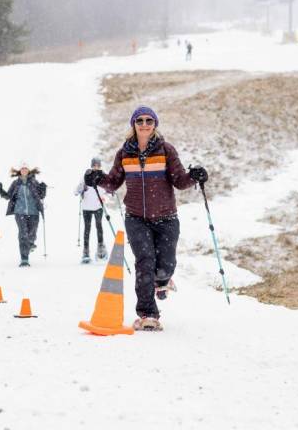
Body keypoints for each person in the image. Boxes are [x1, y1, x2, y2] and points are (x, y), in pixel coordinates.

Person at [83, 106, 208, 331]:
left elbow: (180, 180)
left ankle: (162, 281)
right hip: (136, 217)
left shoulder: (166, 150)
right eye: (139, 120)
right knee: (145, 262)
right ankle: (148, 314)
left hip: (166, 217)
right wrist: (97, 177)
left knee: (166, 265)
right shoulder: (124, 153)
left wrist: (194, 176)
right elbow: (113, 182)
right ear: (134, 124)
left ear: (155, 124)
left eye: (149, 120)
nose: (144, 124)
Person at [0, 163, 47, 267]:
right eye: (22, 169)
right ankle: (24, 258)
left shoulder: (34, 182)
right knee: (23, 233)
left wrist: (43, 188)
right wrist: (1, 190)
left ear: (29, 171)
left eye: (26, 169)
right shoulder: (16, 183)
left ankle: (29, 244)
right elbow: (8, 196)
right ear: (20, 171)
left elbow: (41, 196)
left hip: (34, 212)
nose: (24, 170)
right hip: (20, 212)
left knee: (32, 234)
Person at [75, 157, 107, 264]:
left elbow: (107, 187)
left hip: (98, 206)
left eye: (98, 165)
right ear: (92, 165)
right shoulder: (85, 176)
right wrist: (81, 189)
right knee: (87, 228)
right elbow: (76, 191)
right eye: (94, 165)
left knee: (99, 226)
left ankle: (101, 247)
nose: (96, 167)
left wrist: (111, 190)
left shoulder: (102, 176)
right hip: (87, 207)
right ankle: (86, 251)